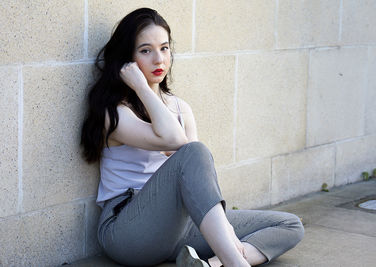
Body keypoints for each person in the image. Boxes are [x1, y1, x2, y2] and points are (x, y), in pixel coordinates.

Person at [80, 7, 304, 267]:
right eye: (145, 50)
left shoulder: (180, 108)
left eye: (164, 48)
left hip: (177, 227)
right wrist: (141, 86)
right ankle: (235, 263)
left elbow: (197, 180)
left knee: (288, 225)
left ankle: (211, 265)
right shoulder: (116, 112)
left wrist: (226, 230)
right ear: (127, 60)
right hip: (127, 231)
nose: (158, 60)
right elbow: (175, 141)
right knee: (195, 151)